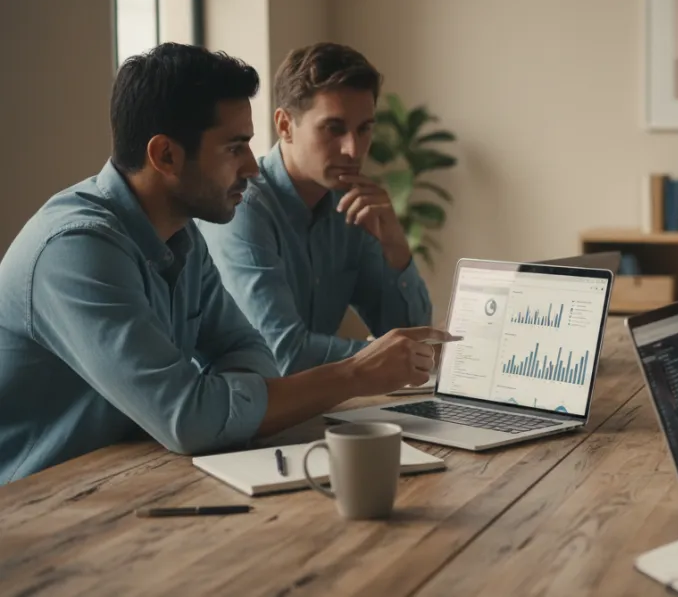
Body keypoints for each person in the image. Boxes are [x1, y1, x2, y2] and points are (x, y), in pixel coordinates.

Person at [0, 43, 448, 485]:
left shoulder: (182, 233)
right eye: (235, 148)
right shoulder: (75, 250)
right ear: (166, 156)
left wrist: (215, 403)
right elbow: (192, 417)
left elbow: (252, 353)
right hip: (30, 511)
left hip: (128, 480)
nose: (253, 167)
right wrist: (356, 371)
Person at [198, 43, 432, 376]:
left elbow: (413, 337)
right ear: (284, 126)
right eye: (334, 128)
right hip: (233, 416)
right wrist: (388, 355)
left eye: (364, 128)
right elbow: (283, 356)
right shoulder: (243, 207)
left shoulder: (351, 204)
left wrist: (395, 246)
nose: (353, 149)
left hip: (311, 409)